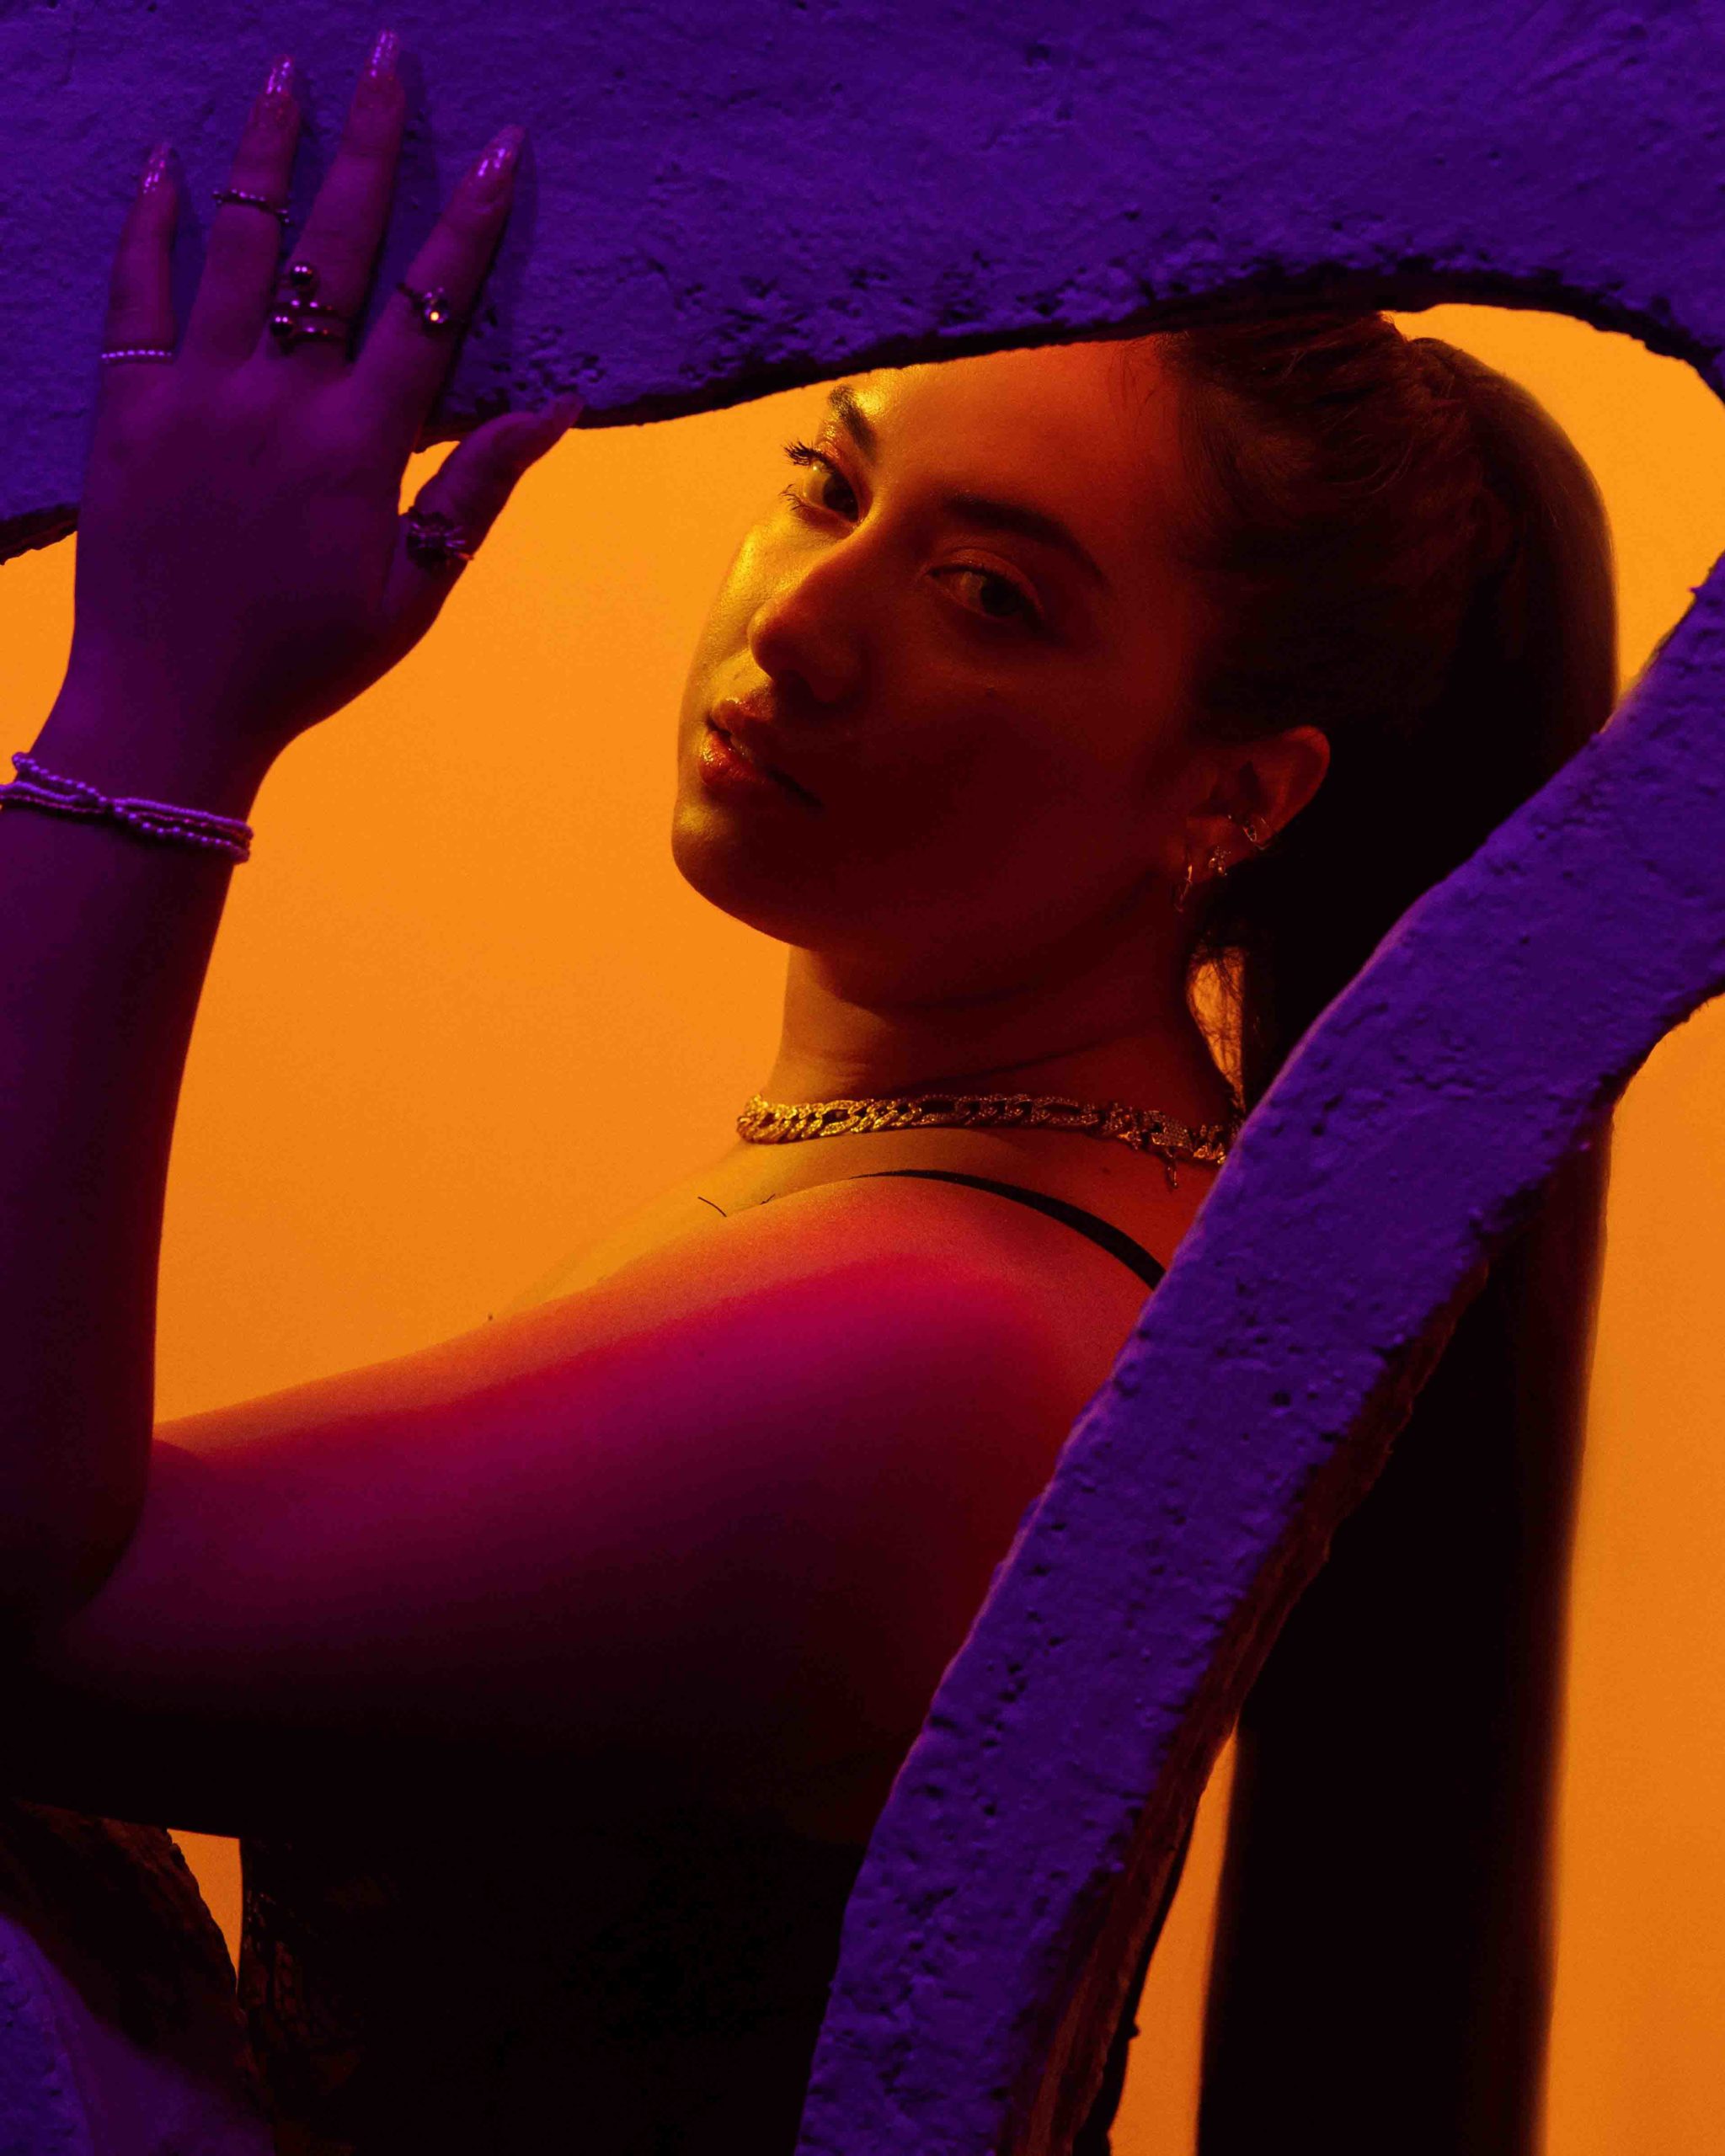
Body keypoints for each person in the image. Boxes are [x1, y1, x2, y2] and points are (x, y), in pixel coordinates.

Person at [0, 28, 1616, 2156]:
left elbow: (34, 1620)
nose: (805, 626)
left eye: (989, 596)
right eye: (827, 483)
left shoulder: (950, 1340)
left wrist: (160, 703)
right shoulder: (984, 1205)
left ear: (1234, 792)